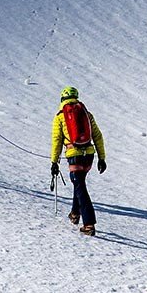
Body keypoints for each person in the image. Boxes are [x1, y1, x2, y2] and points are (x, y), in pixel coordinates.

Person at [49, 86, 107, 235]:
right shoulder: (86, 113)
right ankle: (75, 214)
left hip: (74, 154)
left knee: (80, 187)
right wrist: (102, 158)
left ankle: (89, 224)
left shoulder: (60, 116)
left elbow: (57, 140)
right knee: (79, 182)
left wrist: (54, 162)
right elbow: (98, 136)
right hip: (89, 155)